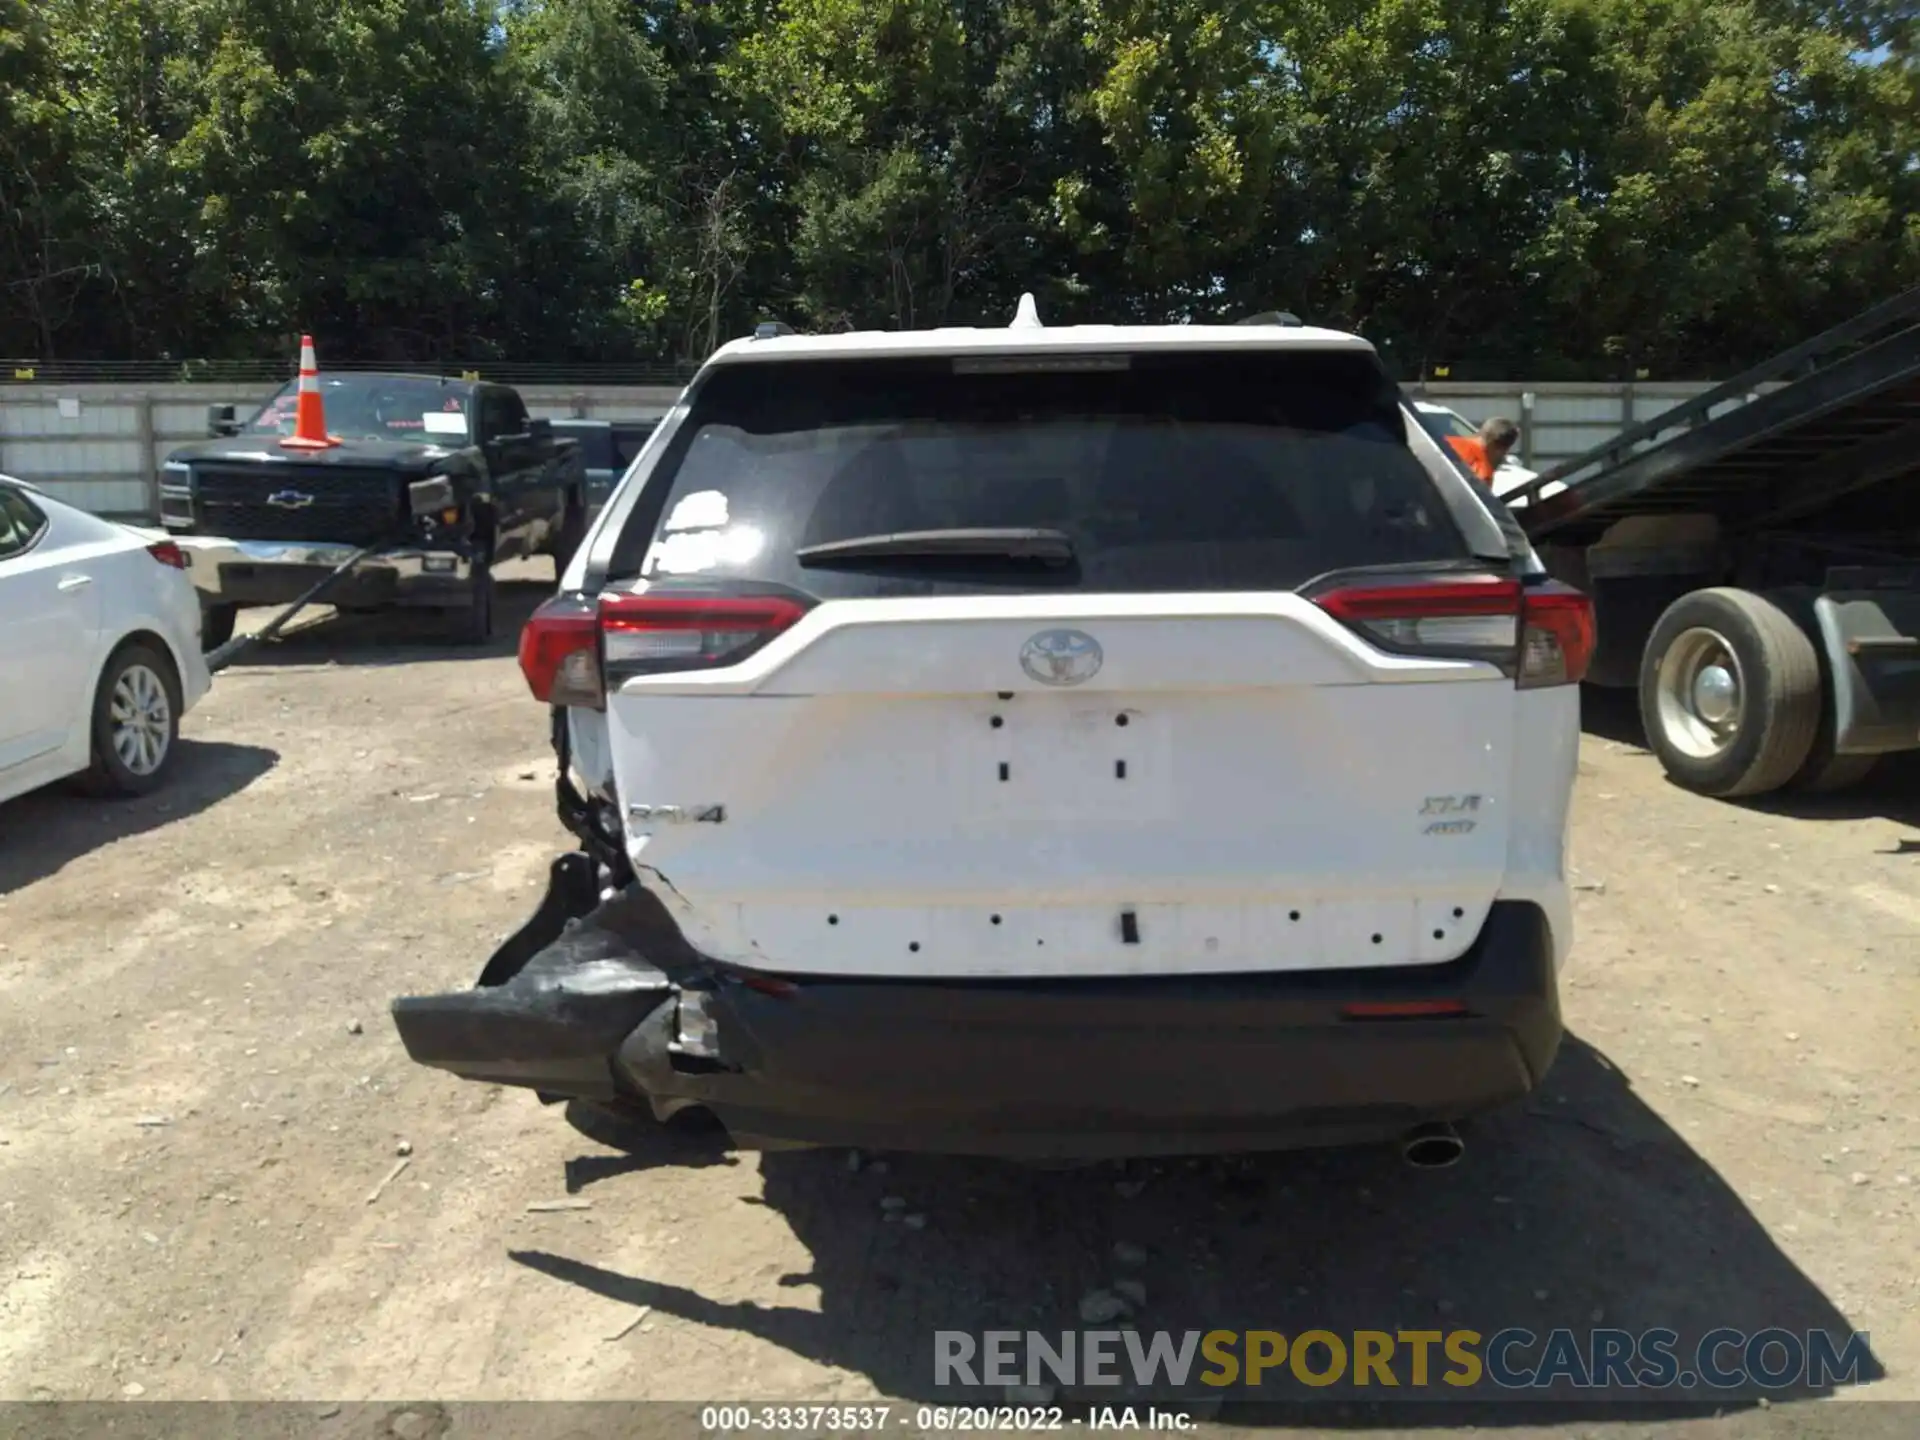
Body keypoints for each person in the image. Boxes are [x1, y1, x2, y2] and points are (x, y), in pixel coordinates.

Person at [1445, 416, 1520, 485]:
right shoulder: (1482, 472)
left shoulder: (1447, 443)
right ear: (1500, 449)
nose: (1503, 457)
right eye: (1505, 451)